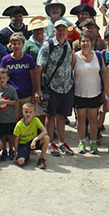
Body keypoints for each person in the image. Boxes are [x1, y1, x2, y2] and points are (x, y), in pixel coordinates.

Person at [37, 20, 75, 154]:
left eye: (63, 29)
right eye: (58, 29)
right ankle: (51, 142)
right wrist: (38, 90)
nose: (61, 32)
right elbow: (39, 67)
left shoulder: (69, 44)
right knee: (51, 116)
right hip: (52, 86)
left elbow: (72, 61)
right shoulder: (48, 46)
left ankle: (62, 142)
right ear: (54, 31)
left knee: (62, 116)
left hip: (67, 86)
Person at [73, 33, 105, 153]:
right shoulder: (75, 56)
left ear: (91, 43)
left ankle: (92, 142)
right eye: (83, 41)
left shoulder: (98, 55)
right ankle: (81, 142)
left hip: (95, 92)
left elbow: (105, 71)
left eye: (87, 41)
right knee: (81, 119)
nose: (85, 44)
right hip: (79, 92)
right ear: (79, 43)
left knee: (93, 119)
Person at [0, 68, 19, 161]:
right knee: (2, 135)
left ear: (8, 78)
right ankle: (4, 150)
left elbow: (16, 102)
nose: (2, 80)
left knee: (10, 135)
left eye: (4, 78)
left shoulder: (11, 89)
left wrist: (6, 102)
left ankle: (11, 149)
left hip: (9, 117)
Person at [13, 102, 50, 169]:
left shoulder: (36, 120)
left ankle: (41, 158)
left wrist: (35, 140)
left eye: (30, 112)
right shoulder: (19, 124)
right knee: (20, 162)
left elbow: (45, 131)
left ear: (34, 113)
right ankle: (24, 156)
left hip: (33, 142)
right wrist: (16, 152)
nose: (28, 114)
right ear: (22, 112)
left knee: (46, 138)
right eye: (26, 112)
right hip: (23, 144)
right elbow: (16, 139)